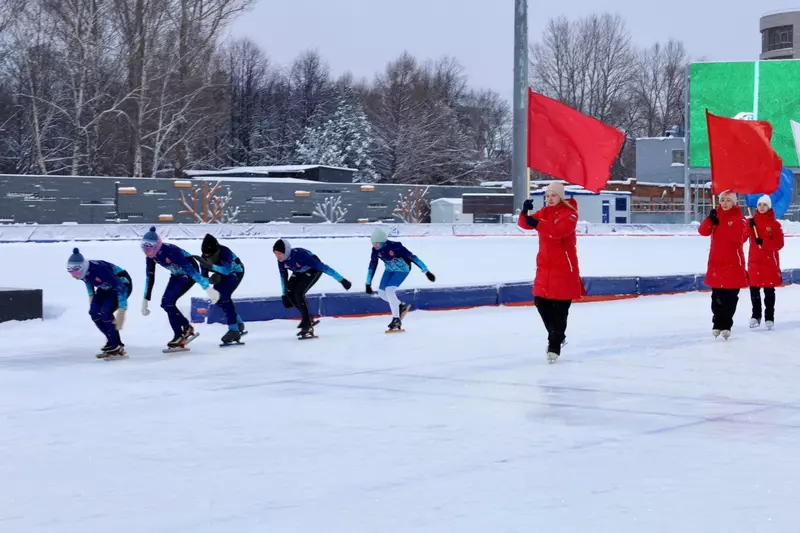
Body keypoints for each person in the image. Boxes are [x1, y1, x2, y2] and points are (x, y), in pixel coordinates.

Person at [518, 182, 585, 363]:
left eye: (553, 195)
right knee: (540, 302)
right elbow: (524, 224)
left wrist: (537, 223)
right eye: (547, 196)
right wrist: (525, 213)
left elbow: (557, 232)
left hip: (564, 268)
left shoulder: (570, 214)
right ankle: (558, 336)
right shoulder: (544, 213)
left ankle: (554, 345)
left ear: (561, 197)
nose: (549, 199)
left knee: (560, 309)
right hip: (545, 266)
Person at [140, 226, 219, 349]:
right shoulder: (151, 257)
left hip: (189, 273)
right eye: (144, 248)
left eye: (148, 249)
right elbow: (150, 276)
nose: (146, 252)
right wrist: (146, 299)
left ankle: (180, 334)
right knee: (166, 303)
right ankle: (186, 328)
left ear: (156, 246)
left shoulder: (171, 251)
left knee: (168, 302)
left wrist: (207, 288)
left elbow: (191, 270)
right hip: (177, 274)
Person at [273, 238, 352, 338]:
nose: (277, 256)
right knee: (289, 293)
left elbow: (324, 268)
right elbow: (283, 276)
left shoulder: (300, 255)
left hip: (313, 270)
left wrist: (342, 280)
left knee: (298, 293)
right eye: (275, 254)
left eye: (279, 253)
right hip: (299, 271)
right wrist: (284, 294)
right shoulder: (281, 261)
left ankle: (307, 324)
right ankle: (308, 317)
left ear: (286, 251)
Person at [697, 190, 749, 339]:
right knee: (717, 298)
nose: (724, 203)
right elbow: (703, 231)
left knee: (730, 299)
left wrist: (726, 225)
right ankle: (716, 322)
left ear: (734, 202)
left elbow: (739, 238)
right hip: (717, 264)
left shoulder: (740, 219)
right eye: (722, 200)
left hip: (733, 264)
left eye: (728, 200)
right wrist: (710, 219)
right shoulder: (715, 217)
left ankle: (727, 324)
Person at [67, 248, 132, 358]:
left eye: (75, 272)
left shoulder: (99, 270)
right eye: (70, 272)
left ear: (81, 268)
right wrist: (91, 297)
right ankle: (112, 341)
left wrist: (122, 309)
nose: (73, 275)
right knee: (93, 312)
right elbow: (87, 281)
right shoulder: (83, 272)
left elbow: (120, 286)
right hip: (105, 287)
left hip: (122, 284)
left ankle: (115, 344)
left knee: (105, 311)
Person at [366, 227, 435, 332]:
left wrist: (426, 271)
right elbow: (372, 265)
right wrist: (368, 283)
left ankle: (396, 319)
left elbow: (413, 257)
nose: (374, 245)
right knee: (381, 293)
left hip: (403, 270)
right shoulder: (375, 251)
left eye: (377, 243)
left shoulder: (396, 247)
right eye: (373, 243)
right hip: (389, 270)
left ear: (383, 241)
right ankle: (400, 306)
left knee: (389, 290)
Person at [195, 234, 247, 344]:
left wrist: (212, 267)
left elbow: (227, 270)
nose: (207, 257)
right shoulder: (204, 258)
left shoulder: (225, 252)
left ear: (216, 250)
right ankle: (238, 323)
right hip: (221, 274)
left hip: (236, 272)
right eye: (205, 254)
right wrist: (210, 280)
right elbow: (203, 279)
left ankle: (233, 330)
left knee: (224, 295)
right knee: (217, 298)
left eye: (210, 254)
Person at [747, 194, 784, 329]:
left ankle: (769, 316)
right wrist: (748, 226)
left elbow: (779, 244)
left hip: (769, 263)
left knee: (769, 291)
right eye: (760, 205)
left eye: (764, 205)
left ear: (769, 207)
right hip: (754, 261)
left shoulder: (775, 225)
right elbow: (743, 237)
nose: (762, 207)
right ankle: (756, 315)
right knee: (754, 291)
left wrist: (764, 242)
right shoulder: (752, 222)